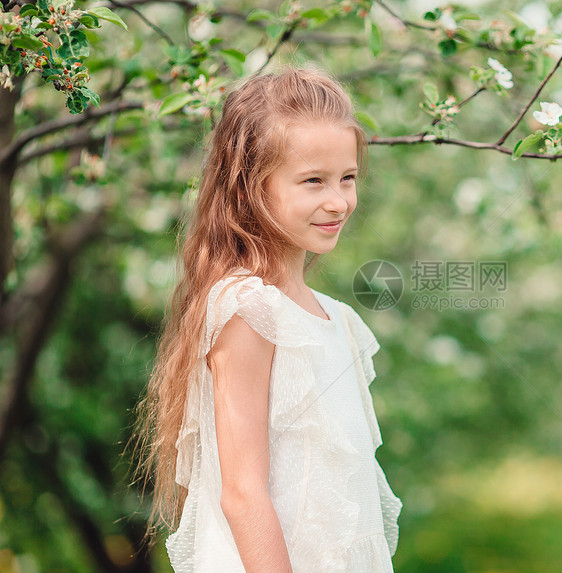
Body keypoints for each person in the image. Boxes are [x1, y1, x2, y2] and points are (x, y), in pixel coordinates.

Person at [132, 66, 401, 572]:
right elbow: (242, 493)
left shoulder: (336, 319)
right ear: (251, 187)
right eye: (312, 181)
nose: (338, 201)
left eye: (347, 178)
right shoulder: (249, 309)